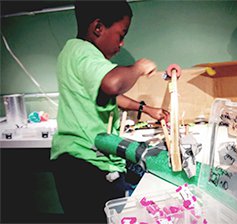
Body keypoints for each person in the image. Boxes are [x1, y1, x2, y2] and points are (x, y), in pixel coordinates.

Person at [50, 1, 169, 223]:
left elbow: (108, 96)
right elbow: (112, 85)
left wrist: (147, 109)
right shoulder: (85, 53)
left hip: (71, 160)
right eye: (120, 34)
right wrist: (138, 67)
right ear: (98, 28)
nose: (121, 43)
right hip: (87, 164)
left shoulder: (71, 51)